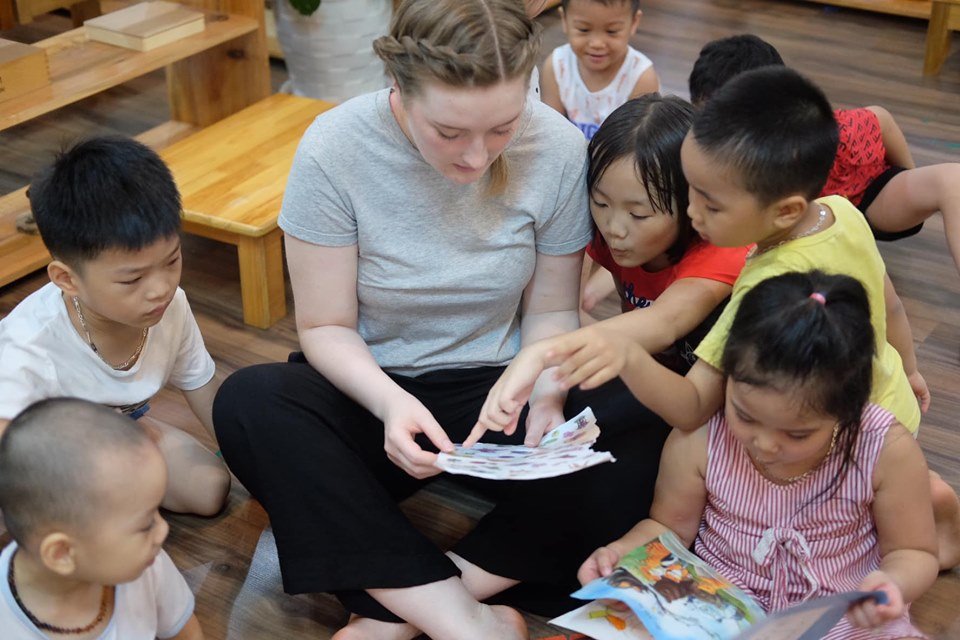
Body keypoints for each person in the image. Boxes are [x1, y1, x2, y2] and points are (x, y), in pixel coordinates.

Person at [211, 1, 670, 639]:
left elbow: (551, 310)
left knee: (647, 411)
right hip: (375, 388)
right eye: (449, 132)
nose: (476, 158)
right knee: (251, 403)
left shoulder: (558, 146)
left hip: (501, 386)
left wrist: (545, 391)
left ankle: (402, 613)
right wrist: (390, 404)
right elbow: (325, 328)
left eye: (503, 127)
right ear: (398, 87)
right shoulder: (335, 147)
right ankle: (470, 623)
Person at [470, 66, 960, 571]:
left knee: (798, 511)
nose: (693, 214)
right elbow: (890, 304)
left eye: (708, 202)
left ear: (783, 210)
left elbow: (692, 404)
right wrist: (910, 369)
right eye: (691, 196)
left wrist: (617, 355)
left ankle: (914, 503)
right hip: (888, 404)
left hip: (826, 424)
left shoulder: (758, 286)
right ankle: (912, 494)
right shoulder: (841, 211)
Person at [577, 271, 938, 640]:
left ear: (849, 409)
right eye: (745, 416)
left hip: (845, 617)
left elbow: (914, 551)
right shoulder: (701, 437)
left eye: (797, 434)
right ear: (725, 377)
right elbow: (668, 529)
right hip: (721, 612)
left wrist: (893, 583)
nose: (764, 444)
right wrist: (622, 553)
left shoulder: (883, 447)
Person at [0, 136, 230, 517]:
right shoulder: (28, 347)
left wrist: (253, 462)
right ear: (67, 279)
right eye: (132, 279)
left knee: (209, 489)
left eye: (172, 260)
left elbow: (201, 385)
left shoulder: (171, 305)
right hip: (46, 456)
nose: (160, 289)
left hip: (115, 429)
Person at [689, 33, 960, 279]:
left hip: (862, 202)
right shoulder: (704, 158)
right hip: (791, 237)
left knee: (951, 179)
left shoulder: (830, 132)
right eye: (709, 122)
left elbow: (879, 118)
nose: (720, 135)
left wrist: (908, 175)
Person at [0, 398, 204, 639]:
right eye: (146, 524)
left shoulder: (148, 563)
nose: (163, 530)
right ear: (62, 553)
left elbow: (187, 633)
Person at [575, 94, 747, 373]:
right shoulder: (614, 237)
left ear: (691, 202)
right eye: (600, 203)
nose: (613, 229)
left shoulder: (722, 251)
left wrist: (551, 344)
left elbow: (663, 323)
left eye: (638, 214)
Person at [540, 0, 659, 140]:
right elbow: (552, 132)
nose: (597, 44)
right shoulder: (557, 67)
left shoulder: (641, 77)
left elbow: (637, 142)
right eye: (583, 29)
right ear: (564, 20)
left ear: (634, 22)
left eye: (612, 31)